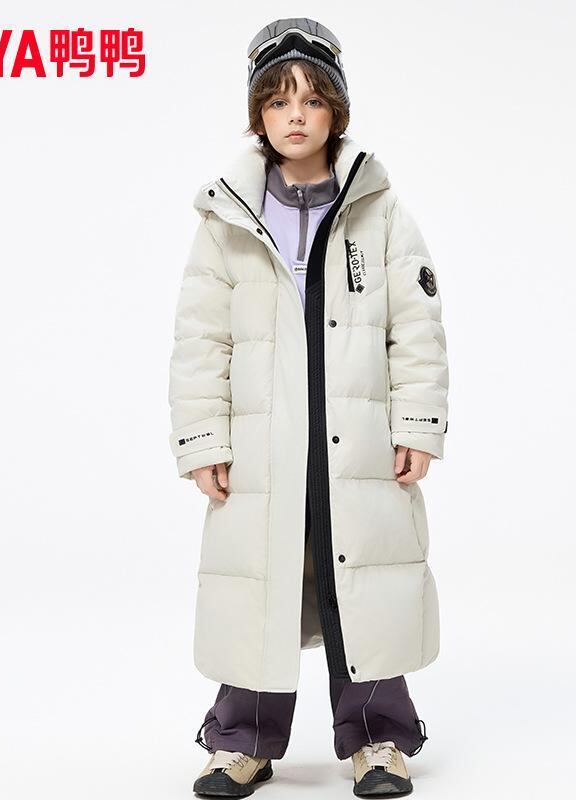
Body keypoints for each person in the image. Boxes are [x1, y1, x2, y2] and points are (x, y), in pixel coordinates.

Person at [168, 17, 449, 798]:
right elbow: (201, 339)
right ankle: (242, 740)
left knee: (362, 580)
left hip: (357, 436)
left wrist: (417, 424)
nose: (296, 115)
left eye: (313, 99)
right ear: (257, 112)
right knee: (259, 581)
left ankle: (379, 738)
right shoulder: (227, 217)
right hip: (262, 440)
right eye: (278, 99)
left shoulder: (377, 209)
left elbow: (416, 326)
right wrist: (203, 439)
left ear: (337, 111)